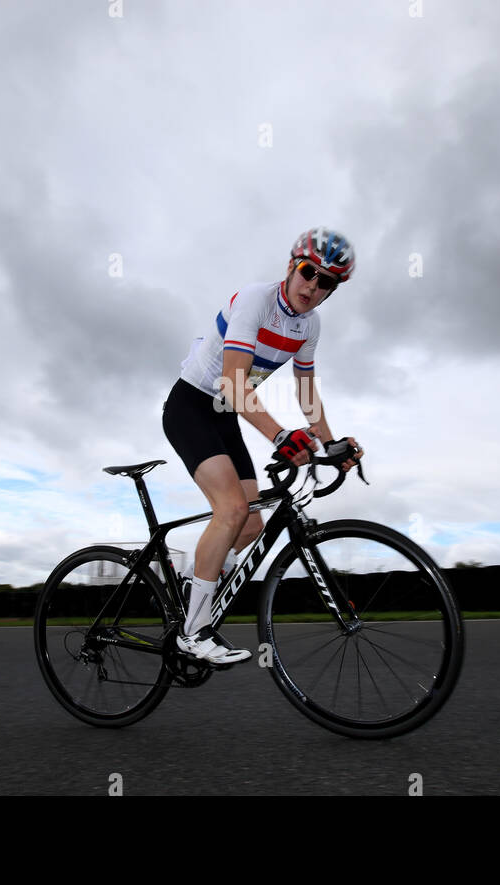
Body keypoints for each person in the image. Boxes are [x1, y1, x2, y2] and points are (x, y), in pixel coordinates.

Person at [161, 227, 364, 664]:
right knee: (231, 510)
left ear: (332, 290)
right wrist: (279, 434)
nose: (313, 285)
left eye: (326, 281)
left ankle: (192, 580)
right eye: (309, 272)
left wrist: (331, 444)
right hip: (191, 405)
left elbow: (306, 392)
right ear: (292, 267)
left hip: (226, 415)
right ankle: (192, 633)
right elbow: (232, 383)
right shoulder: (257, 300)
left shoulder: (310, 326)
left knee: (251, 526)